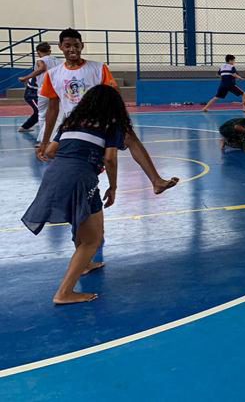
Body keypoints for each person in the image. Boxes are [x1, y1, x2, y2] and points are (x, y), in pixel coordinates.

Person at [22, 85, 132, 305]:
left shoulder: (71, 122)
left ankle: (86, 264)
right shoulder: (112, 124)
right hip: (81, 178)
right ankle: (64, 292)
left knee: (83, 220)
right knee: (93, 240)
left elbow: (50, 152)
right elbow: (110, 159)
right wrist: (113, 186)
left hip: (54, 175)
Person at [38, 28, 178, 195]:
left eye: (76, 45)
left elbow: (114, 95)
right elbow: (53, 109)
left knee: (130, 137)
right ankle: (90, 167)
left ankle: (156, 181)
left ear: (82, 45)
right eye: (67, 45)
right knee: (51, 152)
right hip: (74, 124)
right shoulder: (53, 74)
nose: (72, 49)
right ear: (61, 47)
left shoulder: (98, 68)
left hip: (101, 119)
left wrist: (123, 119)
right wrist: (45, 140)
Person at [17, 42, 59, 139]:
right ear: (50, 51)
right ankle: (52, 135)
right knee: (55, 113)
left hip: (41, 91)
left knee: (42, 114)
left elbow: (42, 68)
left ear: (38, 52)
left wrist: (25, 77)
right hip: (54, 90)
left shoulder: (40, 61)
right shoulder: (58, 61)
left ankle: (42, 137)